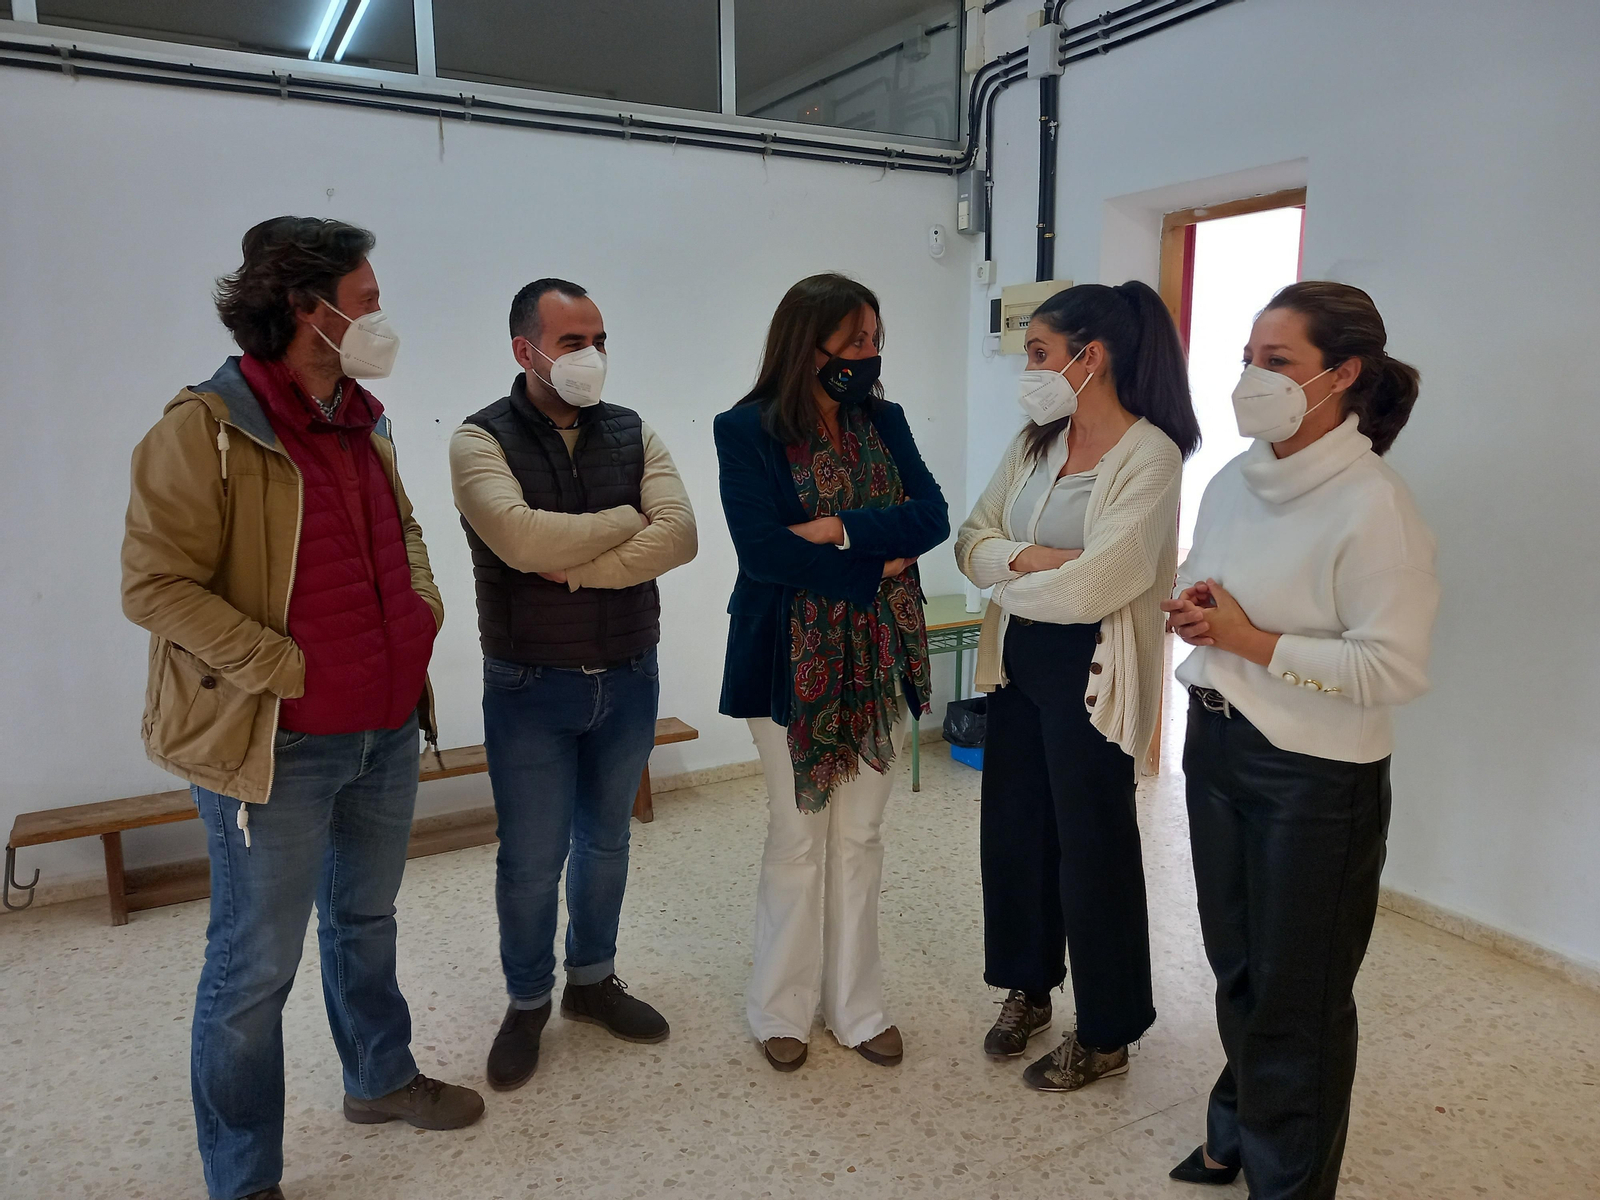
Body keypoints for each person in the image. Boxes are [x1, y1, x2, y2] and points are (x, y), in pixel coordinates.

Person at [122, 217, 482, 1200]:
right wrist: (278, 665)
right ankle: (242, 1178)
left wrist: (420, 618)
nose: (377, 318)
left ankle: (377, 1076)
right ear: (303, 308)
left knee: (364, 918)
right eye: (364, 302)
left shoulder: (366, 416)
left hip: (384, 731)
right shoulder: (204, 430)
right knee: (252, 972)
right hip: (273, 745)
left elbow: (401, 532)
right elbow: (154, 586)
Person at [1162, 282, 1438, 1199]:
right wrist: (1198, 608)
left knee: (1301, 997)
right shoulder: (1238, 478)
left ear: (1342, 376)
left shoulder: (1374, 505)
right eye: (1249, 358)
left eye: (1277, 362)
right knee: (1238, 966)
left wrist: (1243, 637)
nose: (1251, 379)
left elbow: (1390, 669)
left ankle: (1290, 1183)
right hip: (1217, 746)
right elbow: (1209, 580)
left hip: (1314, 779)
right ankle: (1237, 1129)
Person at [450, 278, 697, 1091]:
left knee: (607, 842)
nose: (592, 356)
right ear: (525, 351)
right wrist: (629, 523)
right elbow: (519, 539)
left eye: (599, 339)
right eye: (571, 342)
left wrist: (581, 567)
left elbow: (683, 536)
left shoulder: (633, 430)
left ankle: (591, 981)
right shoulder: (478, 441)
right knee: (530, 859)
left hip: (628, 674)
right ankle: (528, 1001)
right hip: (529, 685)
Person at [955, 280, 1200, 1092]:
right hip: (1020, 660)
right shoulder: (1036, 444)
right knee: (1015, 833)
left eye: (1038, 353)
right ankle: (1030, 988)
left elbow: (1103, 589)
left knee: (1092, 849)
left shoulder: (1151, 455)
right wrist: (1036, 564)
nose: (1029, 369)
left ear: (1089, 359)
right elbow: (971, 539)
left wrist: (1008, 571)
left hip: (1094, 672)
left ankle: (1109, 1029)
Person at [714, 273, 948, 1072]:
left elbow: (933, 516)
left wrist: (839, 528)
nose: (869, 356)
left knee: (862, 836)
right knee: (797, 839)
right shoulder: (745, 430)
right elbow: (763, 549)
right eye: (855, 342)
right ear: (805, 345)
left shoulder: (884, 420)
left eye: (876, 339)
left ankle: (857, 1006)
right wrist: (873, 564)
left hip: (882, 657)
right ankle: (778, 1008)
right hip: (789, 665)